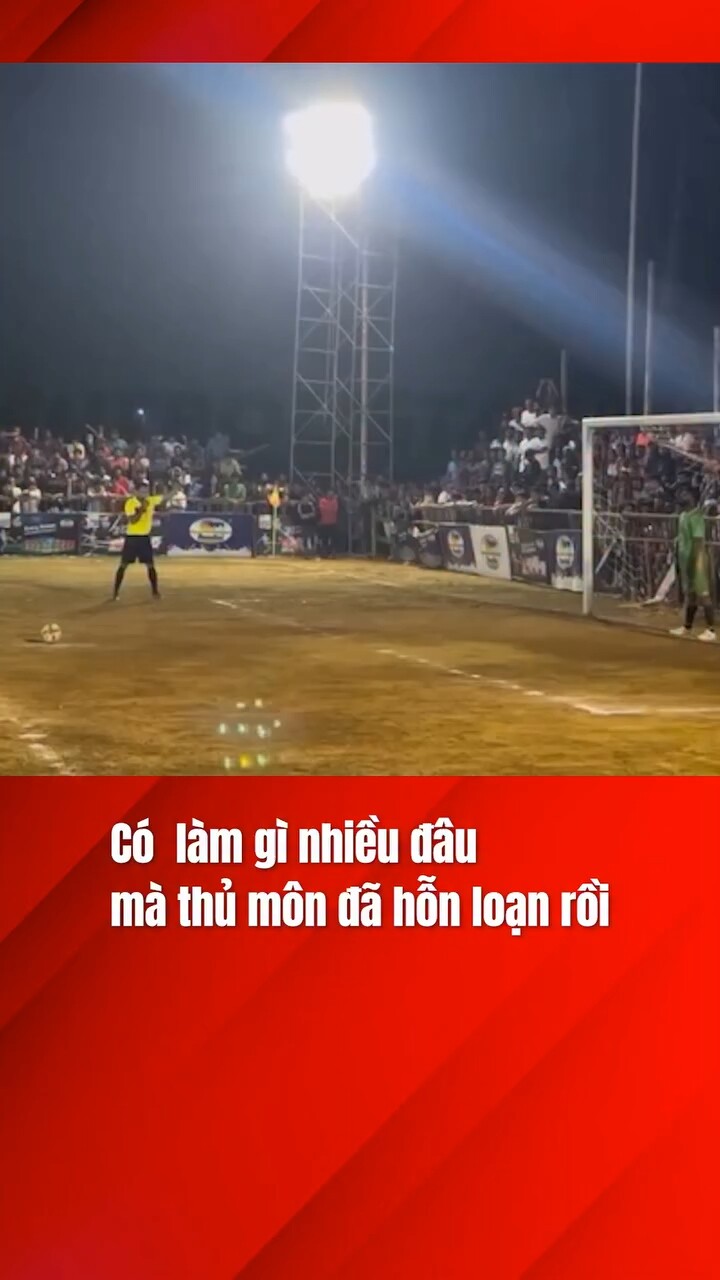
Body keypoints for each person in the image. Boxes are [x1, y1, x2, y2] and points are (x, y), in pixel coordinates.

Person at [670, 490, 716, 641]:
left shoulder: (696, 517)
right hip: (685, 561)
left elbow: (698, 542)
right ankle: (687, 627)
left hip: (697, 560)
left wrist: (697, 562)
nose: (681, 496)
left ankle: (711, 630)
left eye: (685, 494)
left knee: (703, 595)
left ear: (692, 499)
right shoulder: (683, 515)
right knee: (690, 595)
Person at [112, 483, 163, 601]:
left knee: (150, 565)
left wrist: (176, 488)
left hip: (144, 537)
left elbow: (164, 497)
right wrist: (142, 509)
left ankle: (155, 591)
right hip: (132, 538)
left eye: (146, 491)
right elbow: (133, 521)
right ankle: (115, 592)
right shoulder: (131, 503)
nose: (145, 493)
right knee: (124, 565)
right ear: (136, 492)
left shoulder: (150, 500)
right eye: (143, 491)